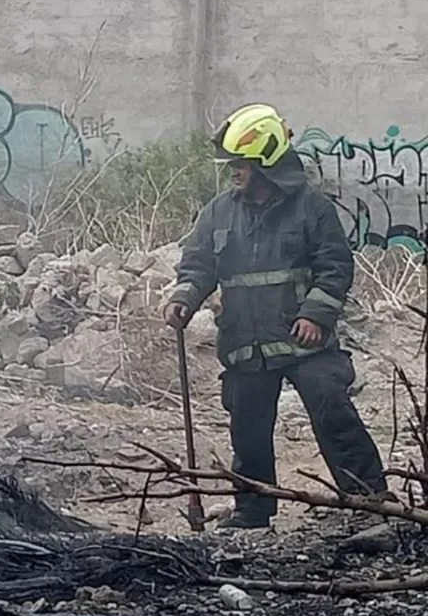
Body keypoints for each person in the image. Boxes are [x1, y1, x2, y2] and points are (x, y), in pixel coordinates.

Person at [163, 103, 387, 529]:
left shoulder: (312, 208)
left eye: (240, 163)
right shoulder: (218, 212)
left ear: (265, 161)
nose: (233, 171)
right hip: (246, 344)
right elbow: (198, 265)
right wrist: (184, 298)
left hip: (307, 344)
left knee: (334, 413)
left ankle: (370, 503)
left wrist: (317, 316)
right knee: (247, 429)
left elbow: (335, 266)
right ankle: (252, 510)